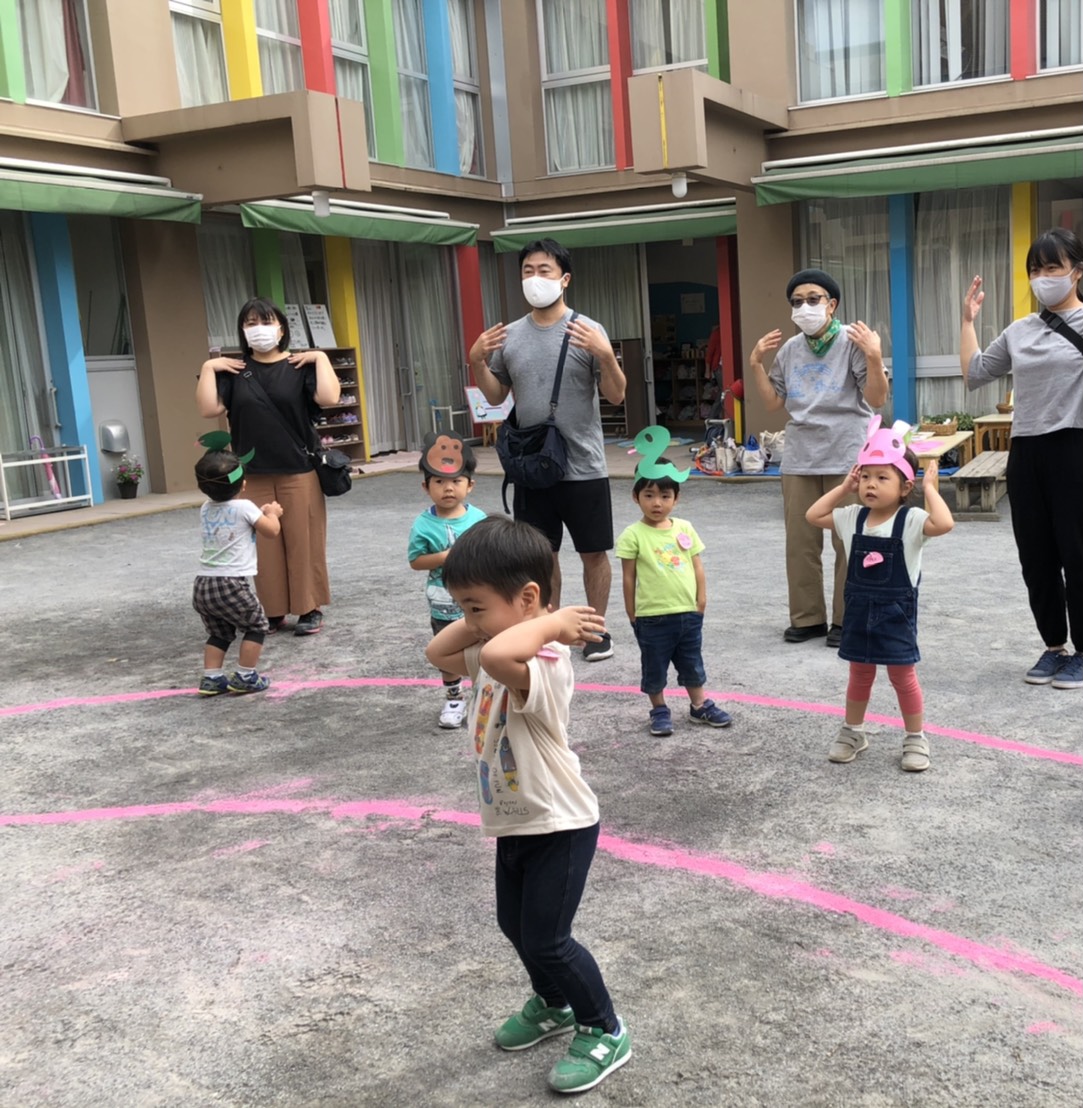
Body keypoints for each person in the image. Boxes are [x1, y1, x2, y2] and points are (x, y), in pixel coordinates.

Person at [425, 517, 631, 1095]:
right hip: (517, 820)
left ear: (528, 598)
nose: (469, 622)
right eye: (463, 608)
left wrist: (550, 624)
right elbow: (437, 650)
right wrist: (485, 617)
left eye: (476, 607)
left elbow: (496, 654)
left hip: (560, 822)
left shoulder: (543, 660)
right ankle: (553, 1002)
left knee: (548, 939)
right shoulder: (500, 648)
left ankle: (605, 1028)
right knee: (513, 926)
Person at [468, 238, 626, 662]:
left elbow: (616, 395)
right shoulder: (510, 336)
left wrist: (606, 356)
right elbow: (496, 396)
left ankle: (595, 631)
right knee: (541, 555)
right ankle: (549, 629)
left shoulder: (588, 331)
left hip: (583, 464)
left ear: (564, 279)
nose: (535, 278)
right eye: (528, 271)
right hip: (533, 466)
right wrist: (477, 361)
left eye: (544, 270)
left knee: (593, 552)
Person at [961, 227, 1083, 690]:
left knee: (1078, 552)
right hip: (1027, 449)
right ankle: (1054, 646)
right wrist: (968, 321)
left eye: (1053, 267)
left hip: (1075, 445)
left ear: (1076, 272)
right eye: (1036, 269)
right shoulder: (1020, 331)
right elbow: (975, 373)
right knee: (1036, 554)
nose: (1043, 277)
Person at [749, 268, 889, 648]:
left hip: (847, 456)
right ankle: (808, 619)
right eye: (797, 302)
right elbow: (773, 402)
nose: (804, 307)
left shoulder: (852, 342)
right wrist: (756, 363)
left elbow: (877, 398)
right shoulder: (790, 350)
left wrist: (874, 356)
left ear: (832, 304)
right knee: (800, 543)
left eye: (813, 299)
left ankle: (846, 620)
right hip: (800, 457)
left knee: (849, 540)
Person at [806, 418, 954, 771]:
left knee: (903, 677)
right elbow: (813, 515)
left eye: (882, 477)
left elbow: (945, 523)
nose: (870, 484)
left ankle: (915, 737)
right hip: (858, 615)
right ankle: (853, 731)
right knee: (859, 674)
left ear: (905, 487)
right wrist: (844, 487)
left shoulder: (912, 520)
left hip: (896, 616)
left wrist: (931, 489)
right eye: (866, 476)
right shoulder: (852, 517)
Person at [195, 297, 341, 636]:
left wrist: (320, 357)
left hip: (298, 469)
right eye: (250, 323)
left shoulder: (300, 366)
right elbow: (208, 409)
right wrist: (208, 368)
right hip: (252, 473)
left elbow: (329, 398)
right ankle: (272, 610)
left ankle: (309, 607)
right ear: (242, 330)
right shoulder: (233, 371)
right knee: (264, 545)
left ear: (281, 328)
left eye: (266, 321)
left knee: (304, 540)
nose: (258, 329)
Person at [616, 457, 732, 736]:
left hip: (688, 612)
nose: (657, 503)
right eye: (649, 495)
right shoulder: (633, 535)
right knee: (654, 666)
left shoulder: (684, 528)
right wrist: (631, 611)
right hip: (651, 616)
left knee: (692, 661)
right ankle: (659, 708)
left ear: (676, 499)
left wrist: (701, 600)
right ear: (635, 496)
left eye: (665, 496)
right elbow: (629, 576)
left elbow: (697, 566)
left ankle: (699, 705)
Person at [407, 431, 487, 729]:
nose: (448, 488)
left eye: (456, 481)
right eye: (439, 482)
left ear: (470, 485)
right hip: (442, 601)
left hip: (479, 599)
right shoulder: (423, 524)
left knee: (483, 644)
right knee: (446, 650)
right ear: (426, 487)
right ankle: (454, 698)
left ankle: (483, 693)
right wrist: (445, 557)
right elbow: (416, 561)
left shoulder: (478, 519)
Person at [192, 445, 284, 695]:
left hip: (203, 584)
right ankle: (245, 675)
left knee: (219, 633)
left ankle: (212, 678)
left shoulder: (205, 508)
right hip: (230, 583)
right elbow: (271, 531)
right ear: (242, 483)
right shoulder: (245, 507)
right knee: (257, 626)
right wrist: (272, 513)